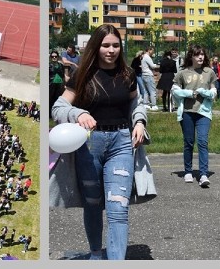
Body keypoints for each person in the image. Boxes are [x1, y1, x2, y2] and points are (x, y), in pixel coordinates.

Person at [50, 24, 147, 260]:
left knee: (118, 207)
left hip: (121, 143)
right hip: (90, 147)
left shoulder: (128, 75)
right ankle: (95, 254)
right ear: (96, 46)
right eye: (105, 45)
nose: (111, 50)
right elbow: (59, 107)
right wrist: (78, 114)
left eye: (115, 45)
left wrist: (140, 121)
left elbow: (136, 103)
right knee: (93, 204)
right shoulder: (82, 75)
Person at [172, 45, 217, 188]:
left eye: (202, 54)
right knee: (189, 142)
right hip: (187, 112)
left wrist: (205, 92)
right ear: (191, 56)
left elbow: (214, 92)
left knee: (203, 142)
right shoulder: (182, 73)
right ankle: (188, 171)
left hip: (203, 112)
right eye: (197, 55)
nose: (200, 57)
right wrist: (189, 94)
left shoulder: (209, 72)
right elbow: (175, 92)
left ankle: (203, 174)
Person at [139, 45, 159, 110]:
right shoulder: (147, 57)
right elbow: (152, 66)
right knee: (152, 90)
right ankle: (153, 105)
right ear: (149, 50)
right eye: (153, 51)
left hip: (144, 74)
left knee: (146, 91)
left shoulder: (143, 56)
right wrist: (159, 65)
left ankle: (145, 104)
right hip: (148, 75)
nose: (153, 52)